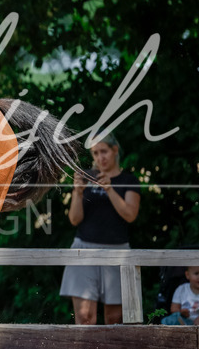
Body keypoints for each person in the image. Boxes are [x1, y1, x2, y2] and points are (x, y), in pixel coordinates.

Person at [60, 134, 142, 324]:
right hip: (83, 249)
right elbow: (74, 219)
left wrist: (109, 189)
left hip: (117, 251)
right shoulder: (88, 179)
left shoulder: (128, 180)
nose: (100, 158)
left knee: (115, 319)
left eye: (103, 151)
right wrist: (78, 192)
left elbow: (130, 215)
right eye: (95, 153)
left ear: (115, 151)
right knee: (84, 317)